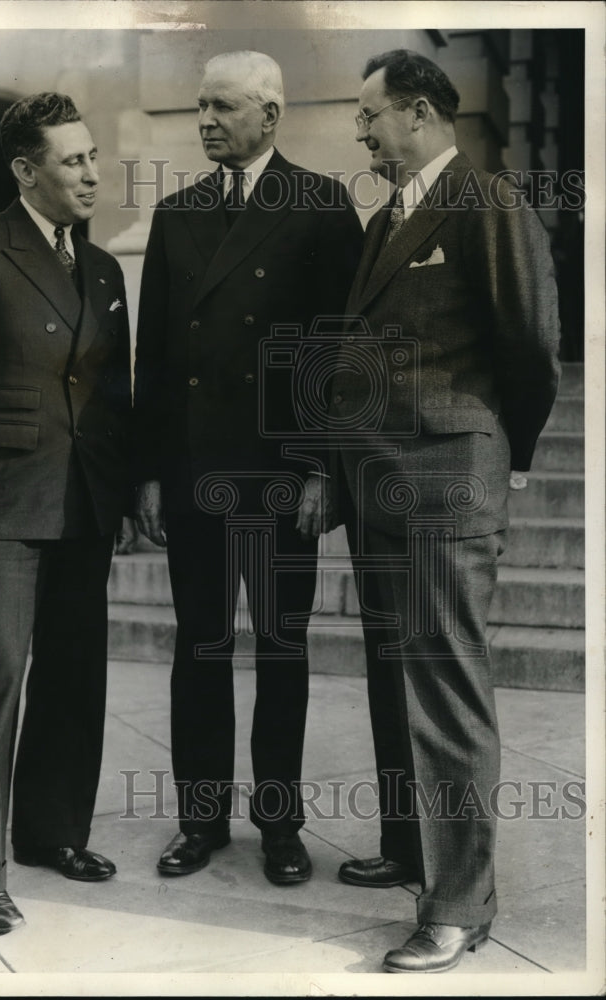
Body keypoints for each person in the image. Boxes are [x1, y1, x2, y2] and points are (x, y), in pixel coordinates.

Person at [298, 49, 561, 972]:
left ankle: (457, 906)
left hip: (445, 484)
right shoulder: (389, 217)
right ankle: (412, 852)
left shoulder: (487, 204)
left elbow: (530, 348)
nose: (360, 131)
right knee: (392, 680)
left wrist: (492, 456)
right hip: (378, 489)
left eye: (369, 116)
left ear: (416, 114)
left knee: (443, 692)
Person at [133, 50, 363, 885]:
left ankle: (279, 827)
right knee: (196, 648)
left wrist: (319, 469)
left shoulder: (321, 206)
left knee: (280, 649)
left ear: (270, 115)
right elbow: (153, 361)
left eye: (222, 107)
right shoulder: (175, 213)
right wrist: (150, 475)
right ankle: (200, 823)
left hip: (278, 474)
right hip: (193, 472)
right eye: (199, 107)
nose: (204, 122)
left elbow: (340, 353)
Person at [0, 92, 132, 934]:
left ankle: (53, 835)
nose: (91, 172)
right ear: (25, 170)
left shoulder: (104, 268)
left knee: (77, 677)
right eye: (72, 160)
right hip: (1, 508)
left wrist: (129, 490)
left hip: (84, 502)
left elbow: (114, 394)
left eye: (92, 156)